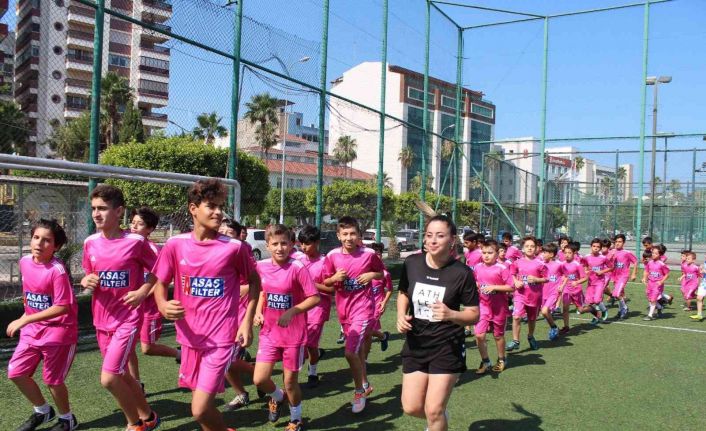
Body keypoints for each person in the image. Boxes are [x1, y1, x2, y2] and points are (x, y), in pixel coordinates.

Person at [152, 179, 260, 431]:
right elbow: (160, 281)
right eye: (211, 206)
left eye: (221, 207)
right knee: (204, 407)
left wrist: (246, 322)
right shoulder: (175, 245)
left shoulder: (233, 248)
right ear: (193, 208)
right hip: (189, 338)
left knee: (199, 409)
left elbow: (255, 283)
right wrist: (161, 303)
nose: (218, 212)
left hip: (221, 339)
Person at [80, 185, 160, 431]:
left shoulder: (135, 241)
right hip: (101, 319)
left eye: (102, 208)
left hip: (127, 319)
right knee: (122, 373)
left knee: (109, 377)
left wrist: (143, 291)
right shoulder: (90, 242)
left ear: (119, 211)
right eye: (94, 208)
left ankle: (134, 424)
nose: (96, 214)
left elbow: (161, 270)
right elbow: (88, 272)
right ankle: (148, 416)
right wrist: (86, 280)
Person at [397, 214, 479, 431]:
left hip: (447, 346)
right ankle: (440, 418)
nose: (432, 241)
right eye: (429, 235)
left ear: (452, 240)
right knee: (411, 407)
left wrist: (451, 314)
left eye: (440, 236)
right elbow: (404, 292)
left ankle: (436, 418)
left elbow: (474, 314)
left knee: (433, 410)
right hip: (416, 344)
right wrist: (400, 315)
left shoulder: (462, 273)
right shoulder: (412, 263)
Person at [7, 219, 79, 431]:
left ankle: (67, 419)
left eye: (47, 241)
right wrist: (26, 316)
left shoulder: (57, 271)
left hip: (59, 332)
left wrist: (26, 319)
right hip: (32, 331)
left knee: (53, 380)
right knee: (16, 372)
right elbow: (31, 297)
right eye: (36, 237)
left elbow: (63, 307)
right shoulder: (24, 262)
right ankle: (43, 411)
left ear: (56, 247)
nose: (39, 243)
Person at [252, 224, 320, 431]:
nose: (280, 248)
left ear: (291, 244)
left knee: (290, 382)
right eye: (275, 244)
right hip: (269, 333)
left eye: (284, 243)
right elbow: (261, 290)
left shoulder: (297, 268)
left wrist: (292, 312)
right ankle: (277, 397)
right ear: (268, 246)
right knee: (259, 379)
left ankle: (296, 419)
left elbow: (315, 297)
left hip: (294, 335)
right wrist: (257, 311)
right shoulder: (261, 266)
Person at [322, 216, 384, 413]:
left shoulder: (369, 254)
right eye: (345, 234)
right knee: (356, 352)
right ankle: (365, 384)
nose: (349, 238)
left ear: (359, 235)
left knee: (349, 352)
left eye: (353, 234)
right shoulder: (332, 256)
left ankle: (359, 392)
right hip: (344, 312)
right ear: (339, 236)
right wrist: (334, 278)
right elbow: (325, 282)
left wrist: (372, 275)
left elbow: (381, 273)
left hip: (363, 311)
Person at [127, 207, 180, 392]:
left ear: (149, 229)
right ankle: (137, 385)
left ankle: (178, 353)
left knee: (147, 348)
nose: (133, 227)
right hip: (130, 308)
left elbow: (160, 279)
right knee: (128, 346)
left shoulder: (152, 249)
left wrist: (142, 293)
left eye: (139, 224)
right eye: (132, 223)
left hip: (149, 308)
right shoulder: (126, 245)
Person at [222, 220, 259, 411]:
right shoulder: (213, 249)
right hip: (220, 313)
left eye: (228, 233)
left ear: (238, 236)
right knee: (225, 360)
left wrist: (243, 289)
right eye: (220, 231)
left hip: (240, 312)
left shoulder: (242, 251)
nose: (223, 235)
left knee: (226, 359)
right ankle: (248, 388)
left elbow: (257, 282)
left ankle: (258, 380)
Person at [296, 225, 333, 389]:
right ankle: (312, 359)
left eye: (307, 244)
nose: (303, 247)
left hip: (318, 309)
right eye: (301, 243)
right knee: (300, 343)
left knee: (309, 344)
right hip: (300, 308)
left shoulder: (325, 262)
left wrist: (312, 285)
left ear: (317, 242)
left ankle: (312, 373)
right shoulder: (298, 261)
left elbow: (331, 289)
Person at [473, 239, 513, 374]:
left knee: (498, 336)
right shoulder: (478, 267)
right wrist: (476, 285)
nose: (486, 255)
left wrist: (494, 287)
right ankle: (485, 361)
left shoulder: (502, 268)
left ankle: (502, 359)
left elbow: (511, 287)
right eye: (483, 252)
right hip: (483, 306)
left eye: (490, 252)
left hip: (499, 308)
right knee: (479, 335)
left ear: (497, 254)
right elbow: (475, 282)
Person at [506, 236, 547, 352]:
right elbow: (512, 274)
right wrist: (516, 281)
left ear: (537, 248)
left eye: (532, 246)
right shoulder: (517, 262)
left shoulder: (541, 263)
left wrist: (536, 279)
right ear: (522, 248)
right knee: (516, 316)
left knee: (532, 319)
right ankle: (515, 341)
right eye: (527, 246)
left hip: (535, 296)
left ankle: (530, 336)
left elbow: (547, 278)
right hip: (520, 294)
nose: (530, 248)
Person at [559, 242, 597, 333]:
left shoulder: (577, 265)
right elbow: (560, 275)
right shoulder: (562, 264)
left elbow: (585, 278)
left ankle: (592, 309)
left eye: (569, 253)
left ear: (574, 253)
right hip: (566, 290)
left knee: (581, 310)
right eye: (566, 253)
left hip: (576, 291)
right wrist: (562, 281)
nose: (567, 255)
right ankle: (566, 327)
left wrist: (577, 282)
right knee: (565, 308)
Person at [366, 242, 393, 357]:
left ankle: (365, 359)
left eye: (379, 254)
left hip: (377, 305)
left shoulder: (385, 273)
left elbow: (390, 289)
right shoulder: (365, 271)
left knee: (367, 331)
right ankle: (383, 336)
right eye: (374, 255)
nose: (377, 257)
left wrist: (384, 302)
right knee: (366, 331)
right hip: (365, 305)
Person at [582, 238, 612, 323]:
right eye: (594, 246)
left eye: (598, 247)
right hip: (591, 282)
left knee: (597, 300)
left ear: (600, 248)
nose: (595, 248)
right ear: (591, 247)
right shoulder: (587, 257)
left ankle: (604, 310)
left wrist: (601, 271)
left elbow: (611, 267)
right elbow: (584, 265)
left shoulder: (603, 258)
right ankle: (596, 316)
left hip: (599, 282)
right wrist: (586, 270)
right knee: (590, 302)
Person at [610, 234, 638, 319]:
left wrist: (634, 273)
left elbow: (636, 261)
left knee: (616, 294)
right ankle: (621, 310)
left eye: (620, 242)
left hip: (623, 276)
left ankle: (625, 308)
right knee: (620, 294)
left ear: (623, 243)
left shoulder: (627, 253)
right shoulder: (612, 252)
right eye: (616, 242)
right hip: (615, 277)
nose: (617, 243)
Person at [539, 243, 563, 340]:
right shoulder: (541, 264)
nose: (543, 254)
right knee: (545, 312)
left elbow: (565, 275)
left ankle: (553, 327)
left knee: (544, 311)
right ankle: (554, 327)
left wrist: (562, 285)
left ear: (552, 254)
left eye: (545, 252)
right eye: (542, 252)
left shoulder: (559, 264)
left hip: (553, 293)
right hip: (542, 293)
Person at [642, 244, 670, 321]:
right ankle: (660, 307)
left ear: (660, 255)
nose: (653, 254)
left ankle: (650, 315)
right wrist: (644, 278)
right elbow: (646, 270)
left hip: (657, 285)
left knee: (653, 299)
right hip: (650, 283)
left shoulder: (662, 264)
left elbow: (667, 274)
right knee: (650, 299)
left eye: (656, 253)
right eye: (653, 253)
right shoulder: (650, 262)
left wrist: (661, 281)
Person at [691, 254, 706, 321]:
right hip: (703, 283)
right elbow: (700, 274)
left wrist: (704, 271)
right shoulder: (704, 264)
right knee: (699, 298)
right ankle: (699, 314)